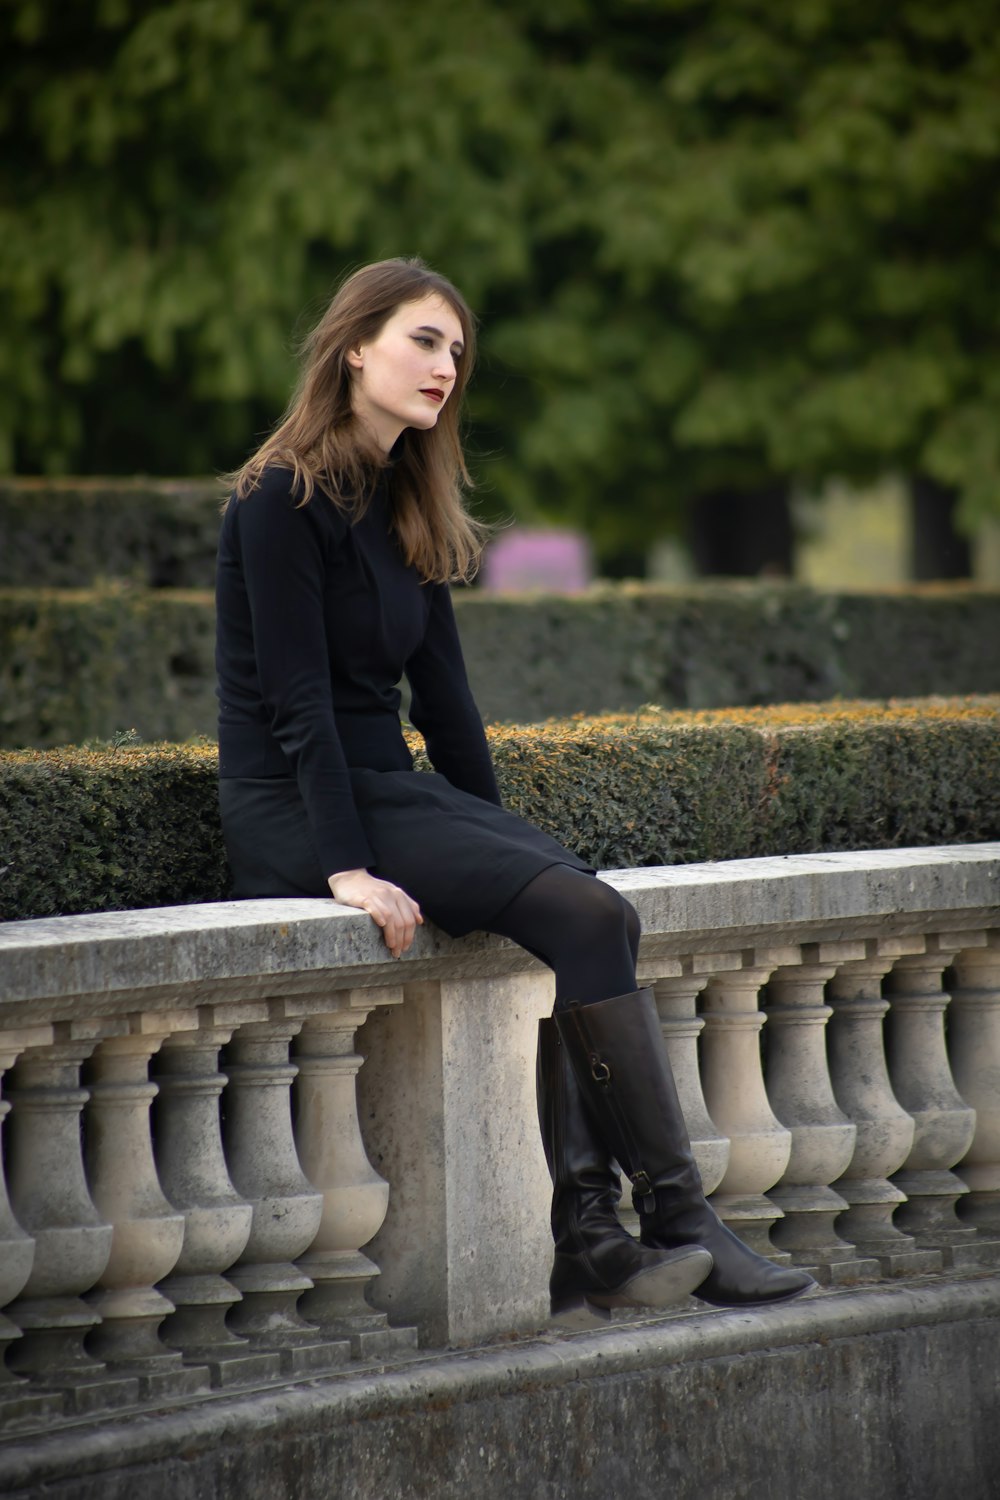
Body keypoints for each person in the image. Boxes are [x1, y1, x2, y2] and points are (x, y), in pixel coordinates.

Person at [215, 257, 815, 1325]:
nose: (445, 365)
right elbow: (297, 705)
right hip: (298, 807)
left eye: (456, 349)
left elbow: (445, 705)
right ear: (354, 345)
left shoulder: (408, 500)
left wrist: (504, 837)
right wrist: (347, 866)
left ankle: (593, 1236)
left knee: (594, 913)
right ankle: (665, 1226)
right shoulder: (280, 497)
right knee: (588, 912)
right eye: (421, 340)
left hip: (386, 790)